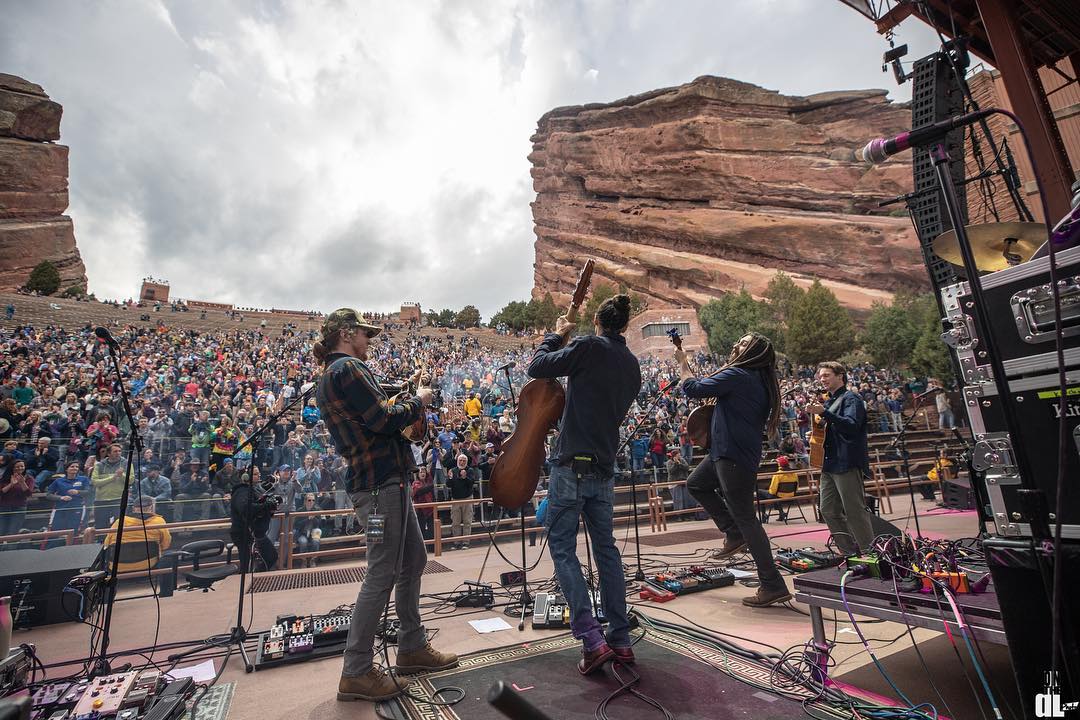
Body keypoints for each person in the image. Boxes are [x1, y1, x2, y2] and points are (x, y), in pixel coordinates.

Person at [314, 308, 457, 703]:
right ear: (346, 333)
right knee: (382, 571)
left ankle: (411, 647)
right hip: (380, 488)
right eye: (363, 333)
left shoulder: (332, 374)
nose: (368, 340)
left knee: (412, 561)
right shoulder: (349, 369)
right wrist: (419, 400)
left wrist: (405, 395)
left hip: (381, 486)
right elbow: (381, 418)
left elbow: (373, 411)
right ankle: (356, 669)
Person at [527, 294, 641, 674]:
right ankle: (621, 639)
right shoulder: (632, 364)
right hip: (604, 469)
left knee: (562, 548)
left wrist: (557, 334)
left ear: (597, 321)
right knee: (606, 550)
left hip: (571, 465)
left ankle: (591, 639)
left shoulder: (588, 345)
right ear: (624, 325)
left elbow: (538, 367)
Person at [678, 332, 792, 608]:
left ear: (753, 352)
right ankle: (733, 531)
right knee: (697, 483)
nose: (734, 343)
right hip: (727, 453)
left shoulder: (740, 374)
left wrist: (682, 362)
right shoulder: (754, 378)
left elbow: (692, 388)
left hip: (733, 456)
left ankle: (772, 584)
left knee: (748, 519)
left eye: (741, 342)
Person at [806, 362, 874, 556]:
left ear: (840, 376)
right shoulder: (829, 401)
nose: (822, 379)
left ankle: (871, 554)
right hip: (829, 463)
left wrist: (824, 413)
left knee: (854, 510)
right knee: (827, 509)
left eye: (826, 375)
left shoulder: (851, 398)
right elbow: (832, 428)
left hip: (846, 461)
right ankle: (849, 552)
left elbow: (852, 425)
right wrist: (816, 432)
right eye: (820, 376)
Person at [102, 496, 171, 573]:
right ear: (152, 507)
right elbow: (166, 545)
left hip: (117, 566)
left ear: (133, 508)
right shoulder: (159, 521)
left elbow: (106, 544)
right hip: (149, 564)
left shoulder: (119, 522)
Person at [229, 465, 279, 572]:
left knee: (271, 556)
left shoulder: (253, 490)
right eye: (256, 474)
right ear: (246, 477)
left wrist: (269, 508)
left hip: (256, 532)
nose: (259, 475)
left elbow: (256, 509)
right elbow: (245, 509)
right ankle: (247, 583)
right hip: (244, 533)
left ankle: (257, 577)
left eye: (259, 473)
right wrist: (266, 505)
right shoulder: (241, 491)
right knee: (247, 565)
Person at [91, 443, 130, 530]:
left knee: (119, 525)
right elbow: (95, 482)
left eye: (120, 451)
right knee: (100, 526)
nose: (118, 453)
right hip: (101, 500)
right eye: (115, 451)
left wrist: (122, 475)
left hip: (119, 499)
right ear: (108, 454)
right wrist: (113, 478)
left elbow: (131, 480)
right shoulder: (99, 465)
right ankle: (101, 542)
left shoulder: (126, 463)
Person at [46, 460, 89, 535]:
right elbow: (48, 495)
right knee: (56, 531)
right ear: (66, 469)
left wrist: (78, 492)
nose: (75, 468)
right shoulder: (58, 481)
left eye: (77, 467)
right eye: (72, 466)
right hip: (61, 509)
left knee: (73, 531)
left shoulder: (84, 479)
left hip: (76, 508)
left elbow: (89, 492)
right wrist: (61, 498)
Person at [446, 453, 476, 549]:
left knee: (467, 521)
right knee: (455, 522)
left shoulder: (470, 470)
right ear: (457, 461)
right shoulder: (453, 470)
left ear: (466, 462)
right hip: (455, 499)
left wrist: (465, 477)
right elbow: (448, 485)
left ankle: (466, 543)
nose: (462, 462)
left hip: (467, 498)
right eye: (460, 460)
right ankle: (456, 543)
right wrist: (450, 478)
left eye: (464, 461)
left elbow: (471, 483)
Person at [758, 455, 798, 522]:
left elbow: (773, 491)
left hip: (779, 497)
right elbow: (796, 488)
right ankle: (781, 513)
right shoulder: (794, 474)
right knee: (775, 495)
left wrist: (769, 490)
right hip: (791, 496)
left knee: (760, 492)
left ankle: (763, 516)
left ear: (779, 465)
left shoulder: (777, 475)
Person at [0, 459, 34, 539]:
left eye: (22, 466)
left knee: (13, 532)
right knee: (1, 531)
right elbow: (1, 492)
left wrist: (22, 483)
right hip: (3, 507)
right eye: (17, 467)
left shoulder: (29, 478)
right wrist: (11, 484)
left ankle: (11, 550)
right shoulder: (4, 478)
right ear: (12, 468)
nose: (20, 468)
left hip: (19, 508)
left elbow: (28, 494)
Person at [294, 493, 323, 567]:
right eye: (309, 500)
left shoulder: (317, 509)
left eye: (313, 500)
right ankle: (304, 560)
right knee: (303, 542)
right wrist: (308, 518)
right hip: (302, 533)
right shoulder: (300, 510)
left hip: (313, 532)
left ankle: (312, 560)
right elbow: (296, 525)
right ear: (305, 501)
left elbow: (320, 523)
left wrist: (314, 518)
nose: (311, 502)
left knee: (316, 541)